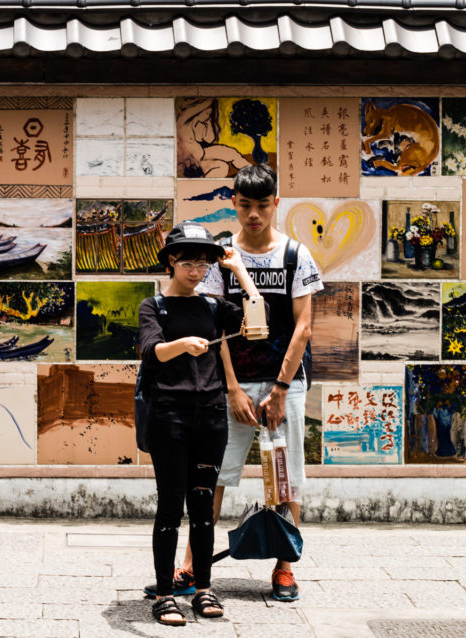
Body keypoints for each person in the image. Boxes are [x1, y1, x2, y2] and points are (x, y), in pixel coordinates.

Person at [177, 163, 324, 603]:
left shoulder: (296, 255)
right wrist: (233, 389)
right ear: (234, 204)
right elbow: (213, 327)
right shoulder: (221, 257)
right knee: (216, 475)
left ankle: (285, 568)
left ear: (275, 204)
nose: (254, 214)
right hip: (235, 384)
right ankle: (190, 565)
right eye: (245, 205)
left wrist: (279, 390)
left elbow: (303, 328)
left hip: (285, 383)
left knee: (286, 478)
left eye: (262, 205)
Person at [138, 222, 252, 626]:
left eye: (204, 262)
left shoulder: (212, 306)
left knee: (203, 505)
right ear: (171, 261)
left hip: (210, 416)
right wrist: (182, 345)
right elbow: (152, 352)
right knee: (170, 506)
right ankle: (165, 593)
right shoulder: (154, 307)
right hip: (169, 415)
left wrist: (238, 272)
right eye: (188, 261)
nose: (197, 269)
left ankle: (204, 588)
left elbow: (259, 322)